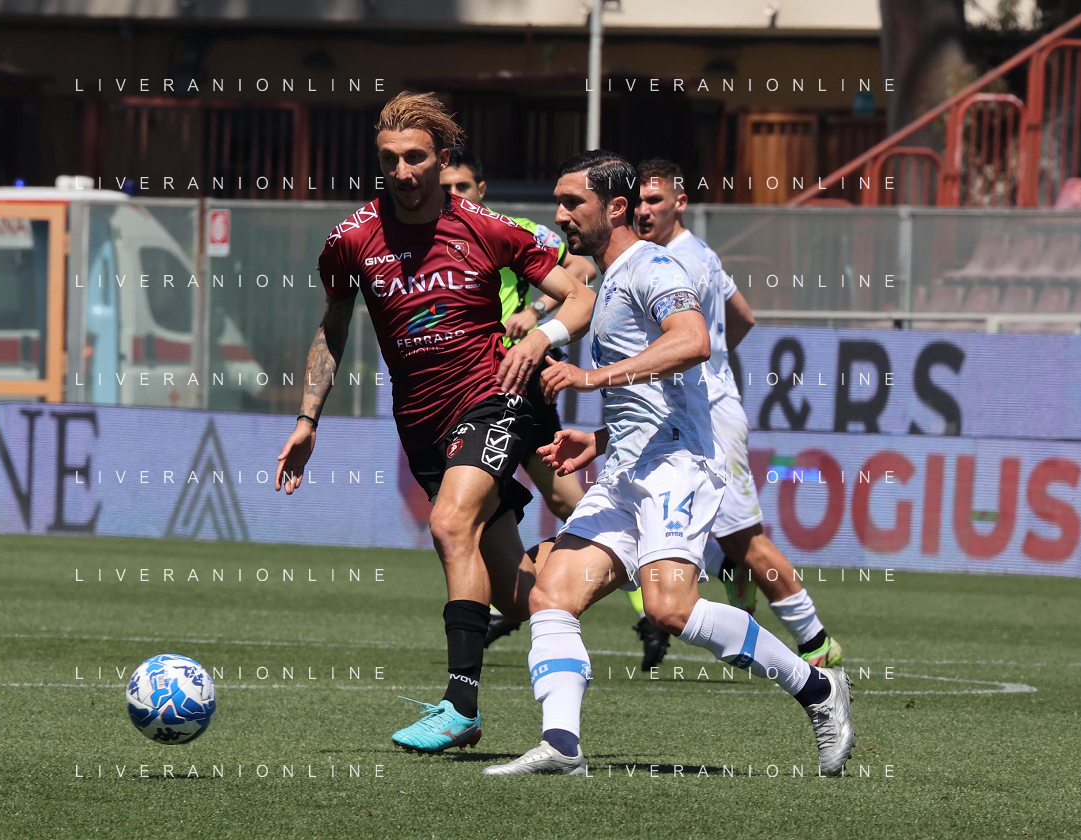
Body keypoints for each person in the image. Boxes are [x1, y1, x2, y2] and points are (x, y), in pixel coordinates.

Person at [482, 150, 854, 777]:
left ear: (615, 207)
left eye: (573, 202)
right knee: (551, 595)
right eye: (559, 202)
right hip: (626, 471)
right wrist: (600, 439)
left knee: (668, 608)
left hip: (678, 465)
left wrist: (591, 376)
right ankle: (562, 745)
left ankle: (819, 687)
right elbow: (658, 392)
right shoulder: (609, 278)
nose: (561, 215)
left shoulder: (654, 265)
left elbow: (693, 340)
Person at [275, 92, 596, 755]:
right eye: (389, 159)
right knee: (523, 599)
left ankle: (460, 705)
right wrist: (308, 418)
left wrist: (542, 336)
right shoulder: (351, 240)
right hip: (421, 425)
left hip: (493, 396)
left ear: (443, 159)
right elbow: (332, 329)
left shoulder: (486, 228)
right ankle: (622, 554)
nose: (401, 171)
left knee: (450, 524)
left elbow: (580, 294)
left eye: (415, 157)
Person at [635, 158, 843, 667]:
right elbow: (743, 316)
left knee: (745, 540)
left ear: (680, 203)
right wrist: (720, 359)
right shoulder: (699, 254)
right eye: (637, 200)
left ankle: (816, 643)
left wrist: (709, 369)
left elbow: (695, 335)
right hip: (690, 411)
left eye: (654, 200)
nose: (643, 210)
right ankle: (729, 576)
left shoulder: (679, 264)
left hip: (710, 416)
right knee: (670, 521)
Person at [438, 147, 619, 650]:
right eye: (446, 188)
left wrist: (537, 311)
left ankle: (636, 587)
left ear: (481, 190)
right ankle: (517, 595)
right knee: (482, 516)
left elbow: (579, 269)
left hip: (516, 377)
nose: (454, 195)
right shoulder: (427, 238)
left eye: (462, 186)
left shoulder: (511, 230)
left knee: (558, 501)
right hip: (459, 388)